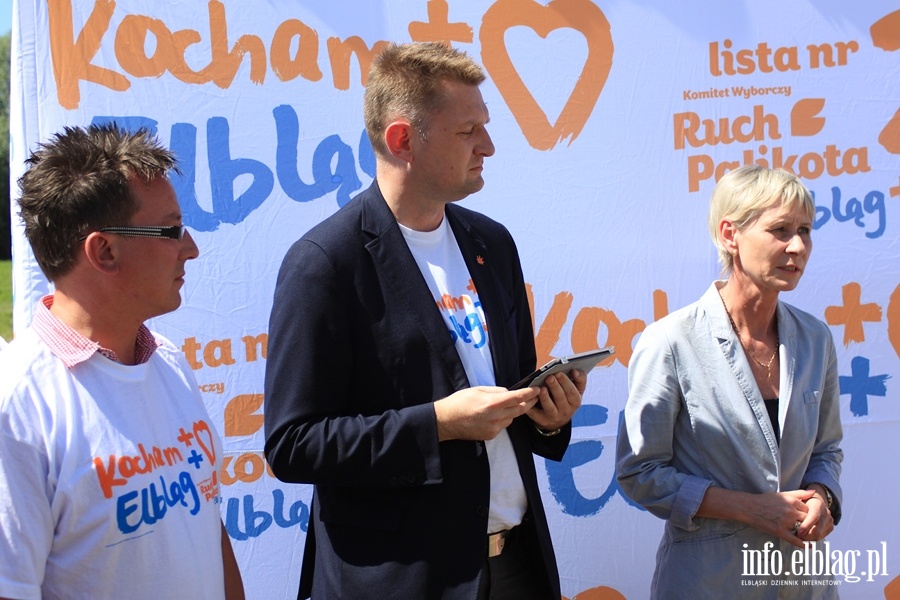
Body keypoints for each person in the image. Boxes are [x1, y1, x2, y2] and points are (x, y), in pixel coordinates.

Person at [264, 42, 586, 600]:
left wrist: (549, 415)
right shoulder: (325, 263)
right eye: (468, 132)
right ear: (402, 140)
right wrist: (437, 423)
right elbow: (293, 443)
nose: (488, 145)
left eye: (484, 127)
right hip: (403, 579)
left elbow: (512, 390)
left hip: (515, 566)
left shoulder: (491, 242)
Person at [0, 124, 244, 600]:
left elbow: (209, 531)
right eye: (171, 230)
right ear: (104, 251)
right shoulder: (19, 407)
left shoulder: (169, 364)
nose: (190, 248)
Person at [615, 165, 843, 598]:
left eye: (806, 230)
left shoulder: (815, 338)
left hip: (804, 582)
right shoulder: (670, 341)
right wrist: (750, 509)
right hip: (709, 583)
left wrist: (822, 496)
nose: (797, 246)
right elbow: (639, 472)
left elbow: (827, 450)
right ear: (730, 235)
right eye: (779, 230)